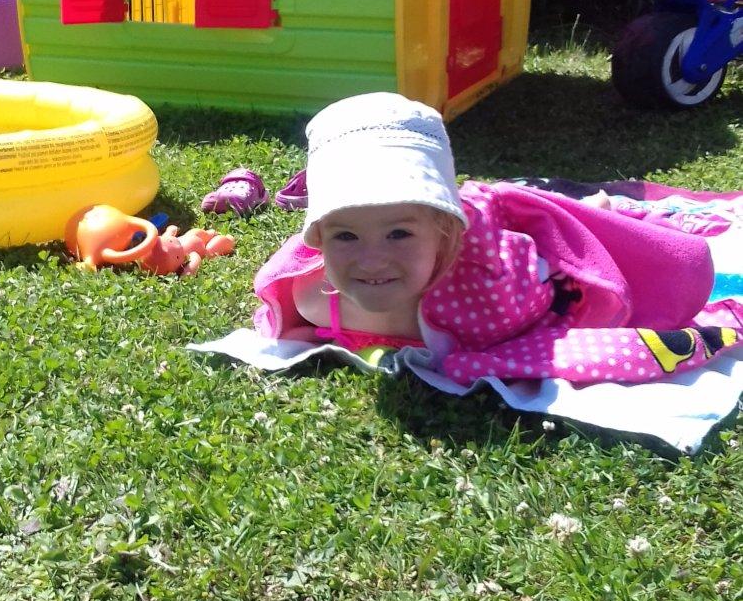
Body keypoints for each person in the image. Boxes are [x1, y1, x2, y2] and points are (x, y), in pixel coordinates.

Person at [253, 92, 737, 386]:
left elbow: (564, 295)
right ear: (318, 239)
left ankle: (597, 206)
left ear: (444, 233)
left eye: (399, 233)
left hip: (523, 261)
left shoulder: (491, 298)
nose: (372, 259)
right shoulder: (313, 299)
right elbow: (302, 315)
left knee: (573, 226)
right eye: (346, 235)